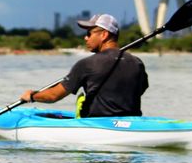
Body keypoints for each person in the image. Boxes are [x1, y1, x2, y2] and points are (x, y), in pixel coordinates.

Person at [19, 13, 148, 117]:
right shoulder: (137, 63)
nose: (86, 38)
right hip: (133, 123)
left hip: (97, 128)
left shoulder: (87, 64)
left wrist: (32, 96)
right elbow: (140, 90)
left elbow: (54, 96)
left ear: (104, 35)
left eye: (89, 34)